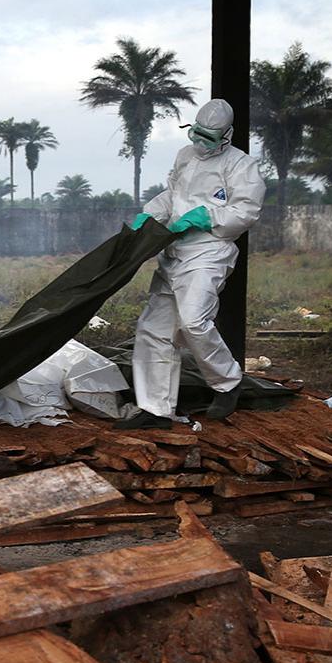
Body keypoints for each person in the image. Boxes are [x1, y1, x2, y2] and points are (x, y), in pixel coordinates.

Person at [118, 98, 266, 430]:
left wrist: (206, 215)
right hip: (172, 253)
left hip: (208, 253)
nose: (200, 143)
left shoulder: (242, 166)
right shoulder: (185, 156)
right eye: (196, 134)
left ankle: (228, 382)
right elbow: (172, 195)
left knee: (193, 322)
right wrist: (151, 214)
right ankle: (156, 408)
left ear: (226, 136)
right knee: (153, 328)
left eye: (209, 138)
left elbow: (246, 212)